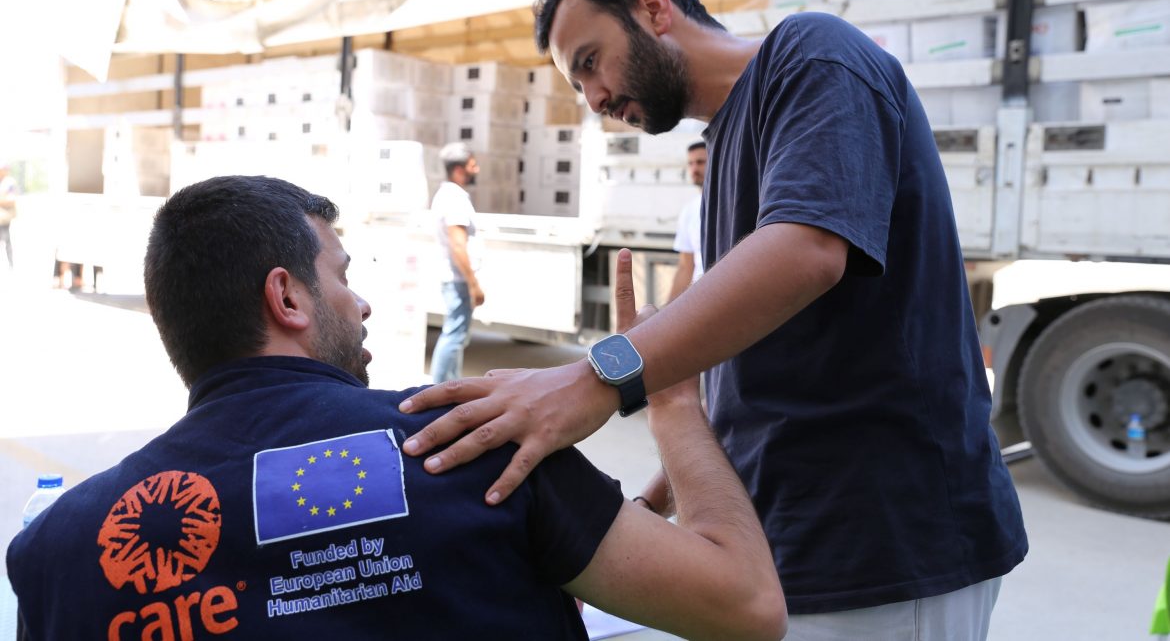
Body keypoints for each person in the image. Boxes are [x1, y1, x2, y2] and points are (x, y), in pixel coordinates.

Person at [395, 0, 1028, 639]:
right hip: (783, 552)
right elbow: (737, 387)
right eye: (580, 88)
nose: (597, 100)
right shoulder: (725, 144)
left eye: (589, 61)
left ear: (655, 9)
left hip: (886, 552)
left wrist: (596, 378)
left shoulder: (813, 55)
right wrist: (633, 521)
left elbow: (809, 251)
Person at [6, 174, 785, 641]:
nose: (366, 302)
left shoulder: (57, 557)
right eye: (342, 273)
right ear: (287, 297)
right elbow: (746, 607)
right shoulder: (477, 439)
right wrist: (673, 396)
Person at [429, 142, 484, 383]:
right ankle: (438, 389)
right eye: (473, 165)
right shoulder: (454, 199)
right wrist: (473, 283)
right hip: (458, 279)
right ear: (460, 170)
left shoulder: (448, 195)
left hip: (455, 278)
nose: (477, 169)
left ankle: (451, 386)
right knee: (454, 336)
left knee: (457, 336)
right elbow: (458, 244)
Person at [667, 140, 707, 303]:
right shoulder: (689, 210)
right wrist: (665, 314)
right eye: (690, 163)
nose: (694, 169)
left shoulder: (733, 202)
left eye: (700, 162)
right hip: (699, 300)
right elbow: (685, 267)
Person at [0, 161, 17, 270]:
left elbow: (11, 200)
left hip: (4, 217)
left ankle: (10, 264)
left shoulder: (9, 182)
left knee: (6, 240)